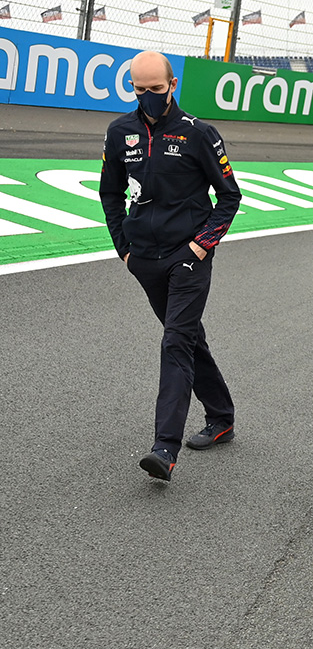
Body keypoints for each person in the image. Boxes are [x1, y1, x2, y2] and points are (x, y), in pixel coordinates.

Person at [100, 50, 240, 482]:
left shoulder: (200, 133)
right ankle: (222, 416)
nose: (148, 97)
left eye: (156, 90)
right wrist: (124, 249)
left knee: (175, 342)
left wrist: (200, 247)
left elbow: (230, 198)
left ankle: (165, 447)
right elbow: (110, 194)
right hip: (144, 259)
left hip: (188, 258)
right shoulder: (119, 131)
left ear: (172, 85)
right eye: (139, 90)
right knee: (189, 338)